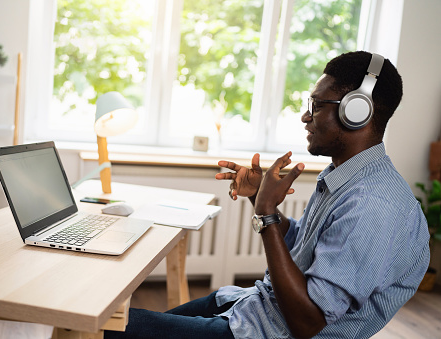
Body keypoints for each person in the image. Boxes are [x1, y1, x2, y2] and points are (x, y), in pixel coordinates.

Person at [105, 51, 430, 339]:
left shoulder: (373, 206)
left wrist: (267, 214)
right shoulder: (346, 178)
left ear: (356, 112)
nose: (305, 116)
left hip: (269, 330)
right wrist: (259, 199)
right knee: (113, 323)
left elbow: (307, 323)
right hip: (253, 306)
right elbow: (299, 246)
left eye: (316, 105)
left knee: (100, 328)